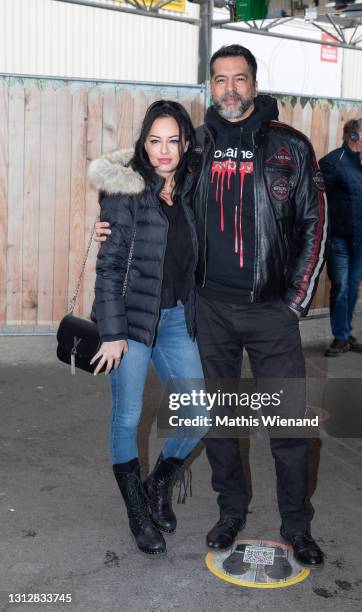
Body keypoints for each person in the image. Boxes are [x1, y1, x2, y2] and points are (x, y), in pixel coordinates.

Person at [94, 45, 327, 569]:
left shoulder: (291, 146)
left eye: (239, 79)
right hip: (209, 310)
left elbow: (316, 222)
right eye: (220, 80)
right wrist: (106, 217)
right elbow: (141, 174)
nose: (229, 89)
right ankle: (230, 512)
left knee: (288, 424)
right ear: (210, 87)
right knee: (219, 418)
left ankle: (296, 523)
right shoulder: (196, 147)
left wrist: (295, 300)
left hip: (272, 311)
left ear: (254, 83)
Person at [88, 100, 208, 556]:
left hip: (177, 318)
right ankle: (136, 510)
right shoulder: (126, 192)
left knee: (198, 415)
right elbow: (110, 264)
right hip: (132, 323)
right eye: (154, 141)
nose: (164, 151)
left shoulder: (192, 188)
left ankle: (157, 484)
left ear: (185, 145)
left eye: (172, 141)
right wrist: (113, 332)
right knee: (127, 415)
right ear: (143, 143)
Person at [320, 117, 362, 357]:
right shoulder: (333, 162)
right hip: (339, 240)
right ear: (354, 136)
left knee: (353, 288)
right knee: (341, 287)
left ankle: (345, 333)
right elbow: (318, 202)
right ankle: (341, 336)